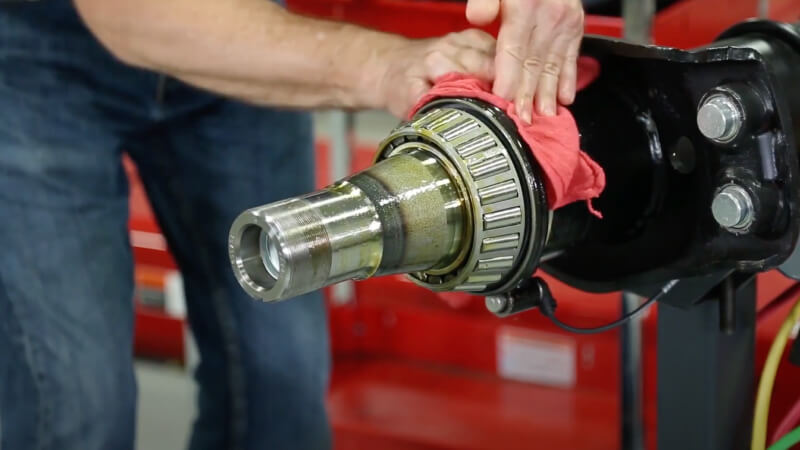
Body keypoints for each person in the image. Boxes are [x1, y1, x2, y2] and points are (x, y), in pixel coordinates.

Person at [0, 0, 584, 449]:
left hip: (245, 24)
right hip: (39, 56)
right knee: (77, 403)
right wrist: (382, 65)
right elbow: (130, 14)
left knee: (282, 389)